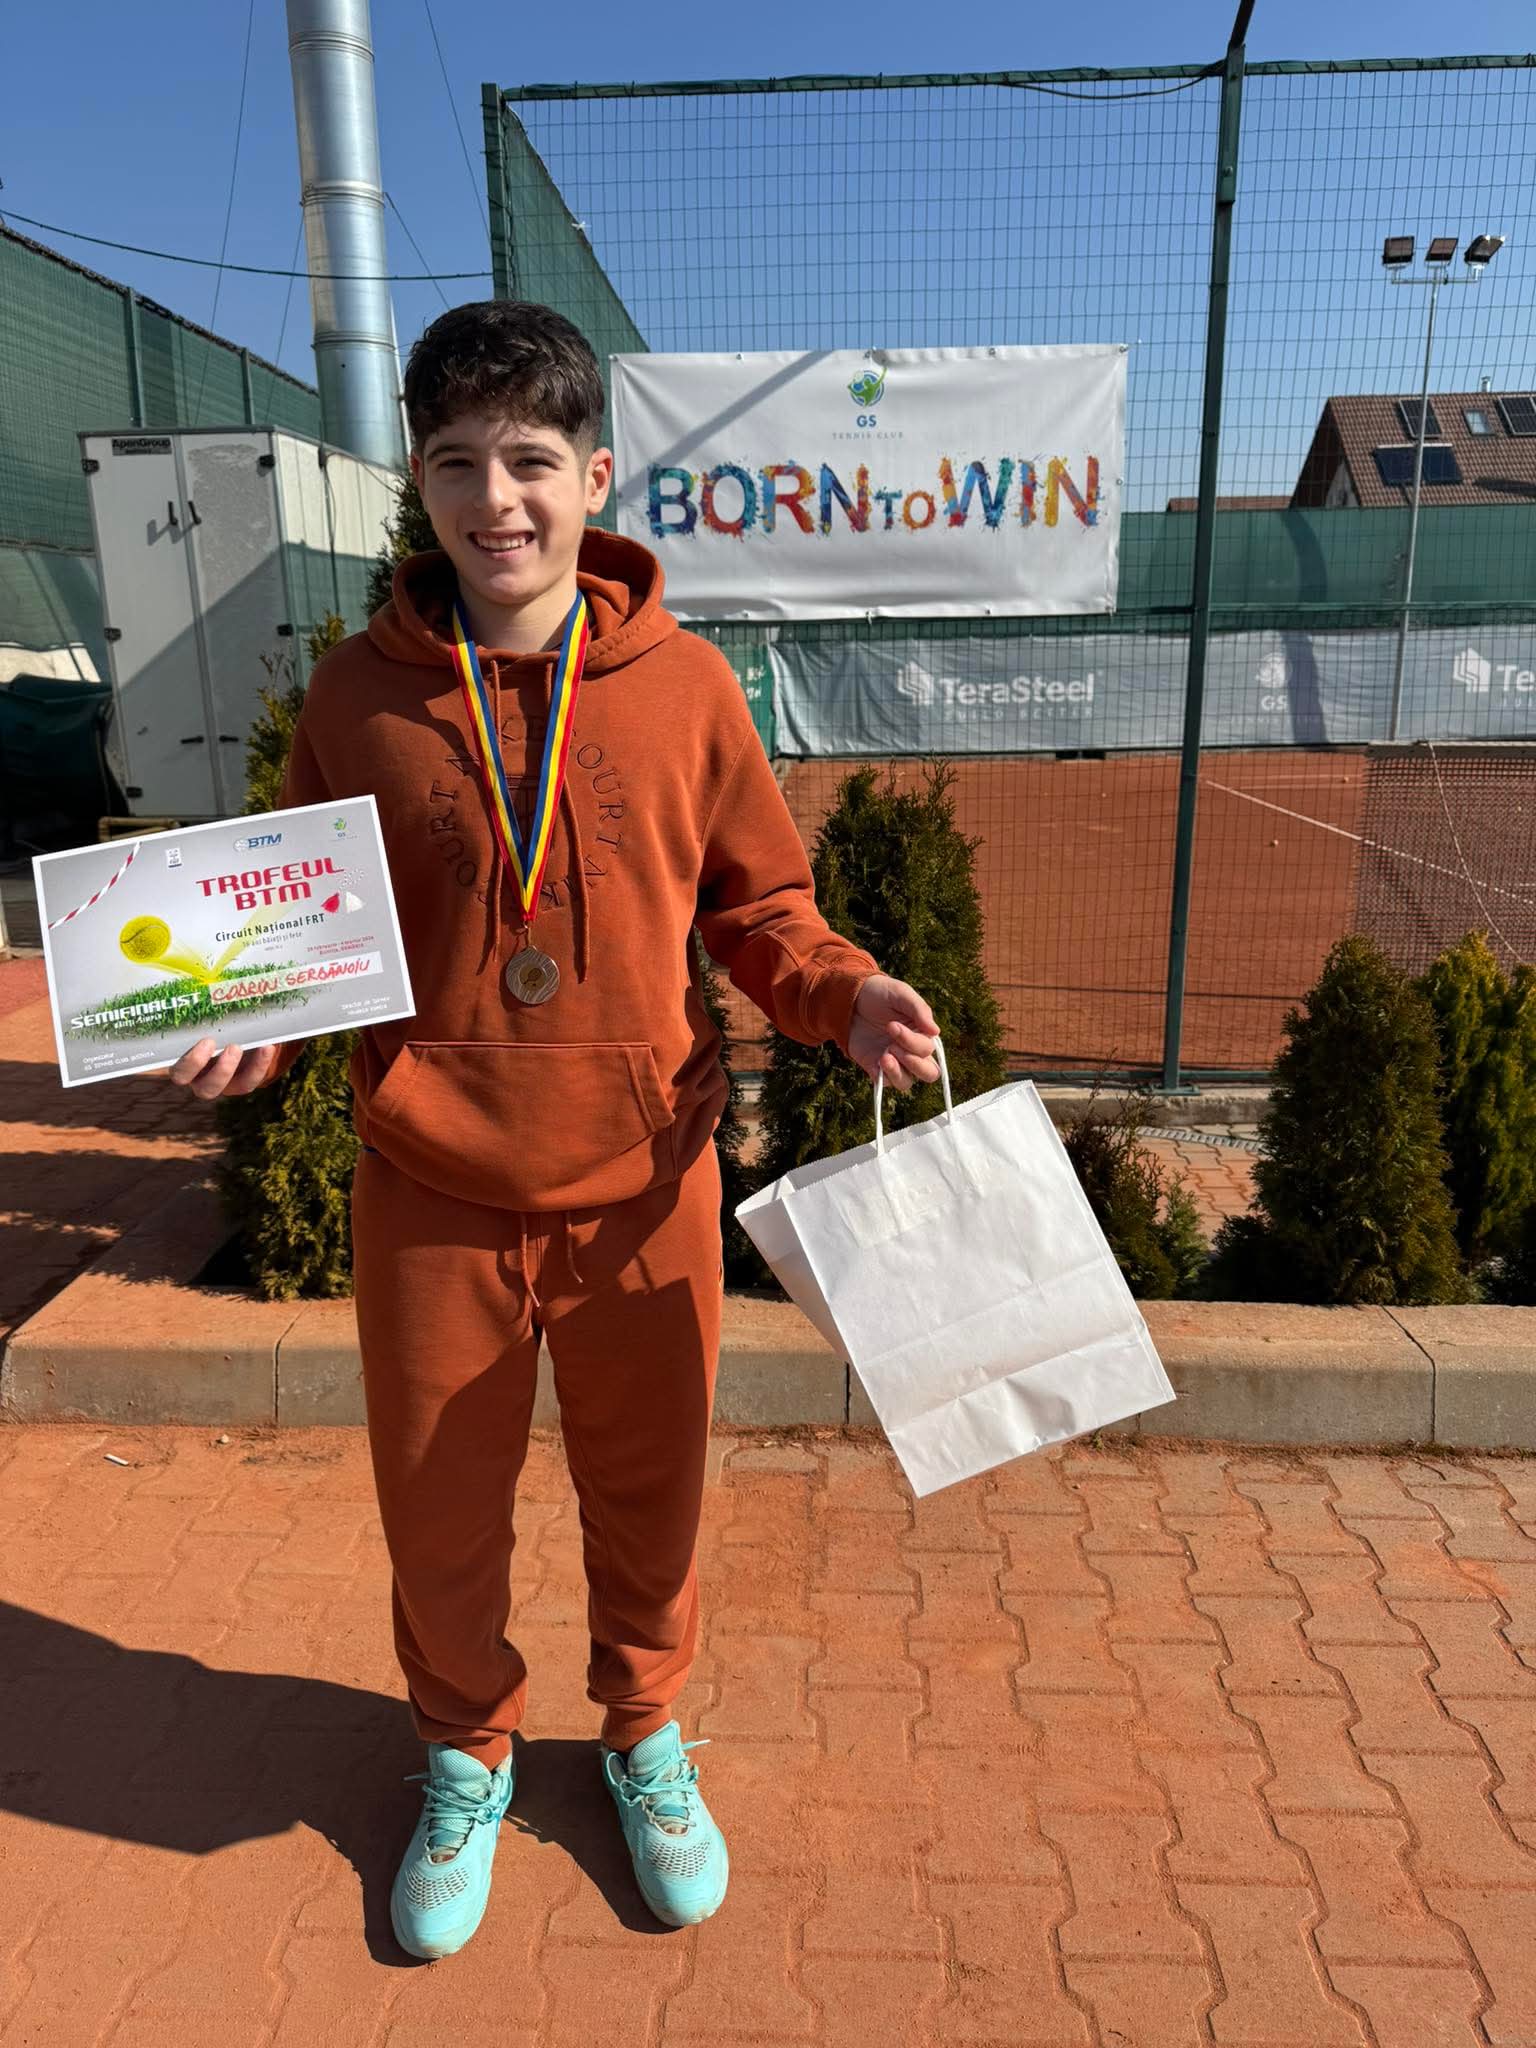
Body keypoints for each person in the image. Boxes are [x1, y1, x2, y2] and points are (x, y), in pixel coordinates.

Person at [167, 300, 940, 1961]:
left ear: (594, 478)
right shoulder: (357, 696)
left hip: (644, 1180)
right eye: (456, 462)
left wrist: (845, 992)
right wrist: (256, 1025)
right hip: (430, 1181)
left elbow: (764, 911)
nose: (494, 497)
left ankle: (644, 1731)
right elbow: (301, 927)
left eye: (529, 458)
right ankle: (466, 1755)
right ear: (420, 482)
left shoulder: (687, 687)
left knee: (651, 1499)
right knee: (438, 1513)